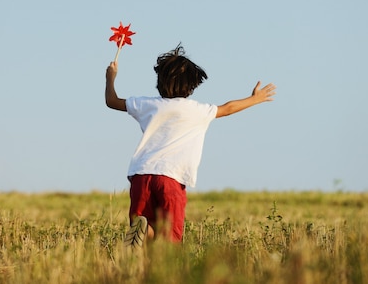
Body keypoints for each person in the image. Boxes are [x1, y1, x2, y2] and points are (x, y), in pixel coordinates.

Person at [105, 44, 276, 246]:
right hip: (171, 178)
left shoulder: (147, 105)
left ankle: (145, 229)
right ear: (192, 85)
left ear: (160, 82)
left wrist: (111, 78)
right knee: (170, 240)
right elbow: (228, 108)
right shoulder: (198, 110)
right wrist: (255, 99)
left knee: (147, 228)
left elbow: (112, 101)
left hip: (141, 175)